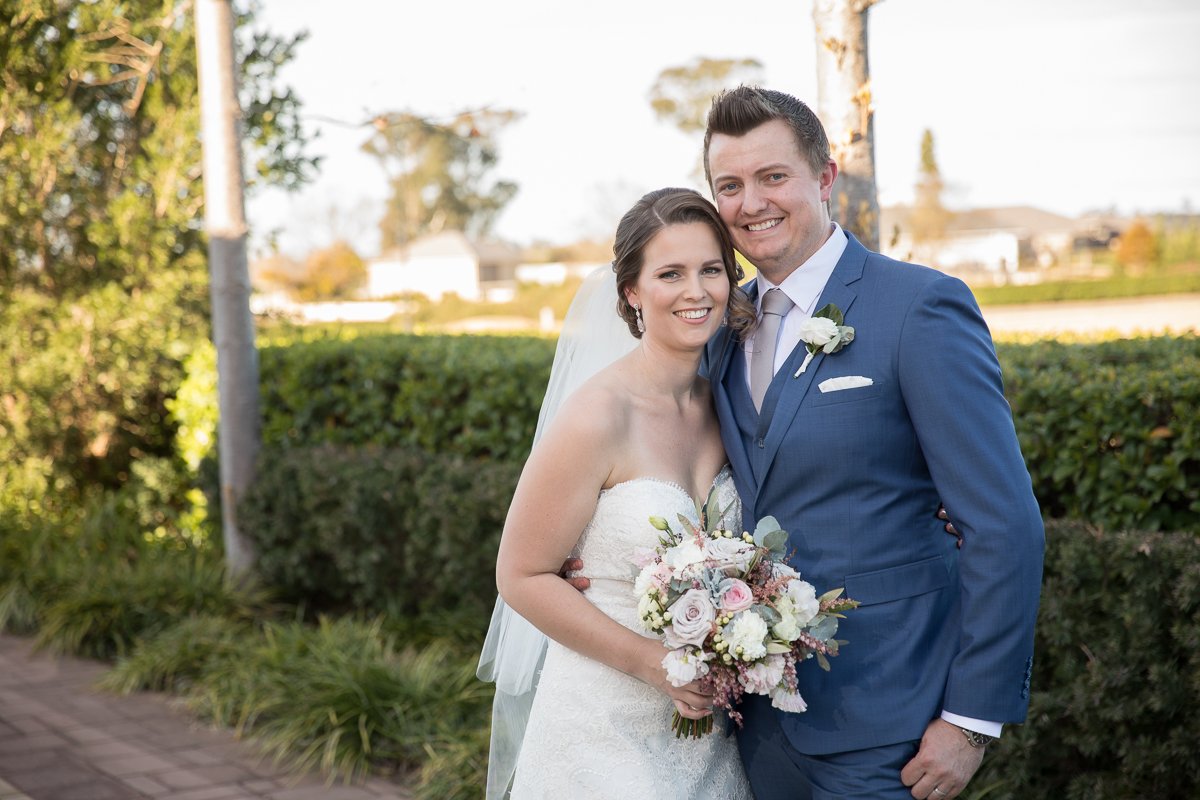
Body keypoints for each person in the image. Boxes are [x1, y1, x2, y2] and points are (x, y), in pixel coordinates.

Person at [700, 86, 1045, 800]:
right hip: (754, 728)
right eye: (729, 185)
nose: (751, 202)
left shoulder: (917, 306)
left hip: (892, 718)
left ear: (825, 178)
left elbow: (1002, 524)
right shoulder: (719, 331)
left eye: (773, 177)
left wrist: (972, 721)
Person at [488, 188, 758, 798]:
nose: (697, 291)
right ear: (632, 292)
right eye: (670, 274)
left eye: (711, 269)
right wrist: (653, 663)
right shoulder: (596, 416)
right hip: (601, 726)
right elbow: (521, 575)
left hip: (711, 733)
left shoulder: (728, 404)